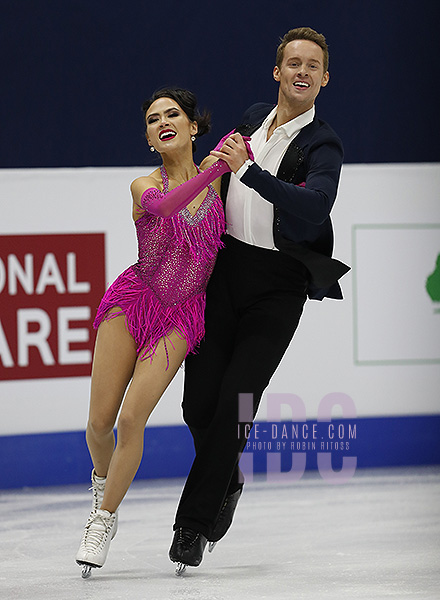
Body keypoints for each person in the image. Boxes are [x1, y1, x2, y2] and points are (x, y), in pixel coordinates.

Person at [169, 27, 350, 571]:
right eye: (292, 62)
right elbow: (214, 173)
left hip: (278, 287)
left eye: (311, 65)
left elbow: (314, 207)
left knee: (237, 405)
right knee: (198, 404)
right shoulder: (251, 117)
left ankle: (192, 527)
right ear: (277, 72)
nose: (301, 71)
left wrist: (250, 169)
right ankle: (230, 478)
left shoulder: (325, 144)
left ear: (323, 78)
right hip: (224, 272)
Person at [75, 87, 239, 578]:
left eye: (173, 114)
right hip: (132, 303)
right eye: (152, 119)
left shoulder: (225, 188)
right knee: (98, 425)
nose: (162, 122)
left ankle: (102, 520)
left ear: (193, 126)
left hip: (182, 318)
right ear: (149, 138)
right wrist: (215, 167)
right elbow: (166, 209)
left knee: (130, 421)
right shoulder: (142, 184)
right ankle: (104, 482)